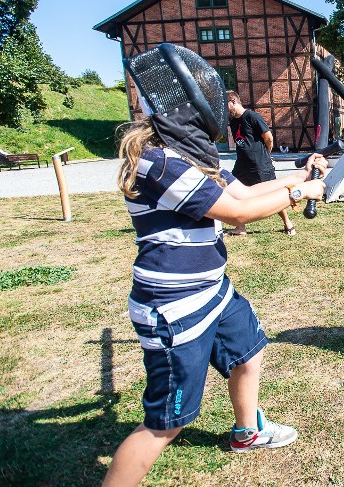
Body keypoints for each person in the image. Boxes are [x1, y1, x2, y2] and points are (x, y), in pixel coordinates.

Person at [103, 43, 327, 486]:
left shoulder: (189, 158)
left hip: (211, 290)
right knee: (166, 423)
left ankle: (247, 431)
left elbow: (244, 191)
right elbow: (236, 212)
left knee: (248, 349)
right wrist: (302, 196)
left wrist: (301, 174)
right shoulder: (160, 162)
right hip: (174, 306)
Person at [226, 90, 295, 236]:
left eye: (225, 104)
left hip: (260, 165)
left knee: (273, 195)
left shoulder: (252, 116)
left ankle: (288, 223)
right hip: (241, 165)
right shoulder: (233, 121)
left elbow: (268, 138)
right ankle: (240, 227)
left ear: (233, 101)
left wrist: (265, 155)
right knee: (234, 193)